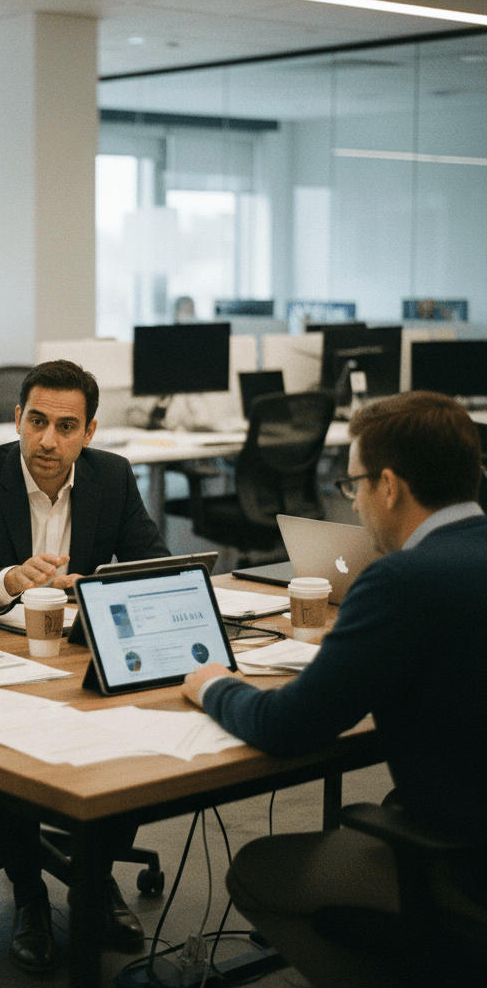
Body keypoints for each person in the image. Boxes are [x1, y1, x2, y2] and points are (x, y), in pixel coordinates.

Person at [182, 390, 487, 988]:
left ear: (390, 487)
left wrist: (216, 686)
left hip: (464, 865)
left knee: (257, 870)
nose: (354, 503)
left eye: (354, 486)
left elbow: (288, 726)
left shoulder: (402, 580)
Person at [0, 359, 169, 972]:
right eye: (36, 421)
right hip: (0, 656)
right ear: (16, 419)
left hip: (79, 651)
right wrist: (10, 578)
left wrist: (100, 586)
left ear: (89, 432)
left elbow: (154, 565)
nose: (47, 440)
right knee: (6, 748)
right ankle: (30, 895)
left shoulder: (112, 477)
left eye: (67, 427)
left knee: (140, 732)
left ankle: (92, 877)